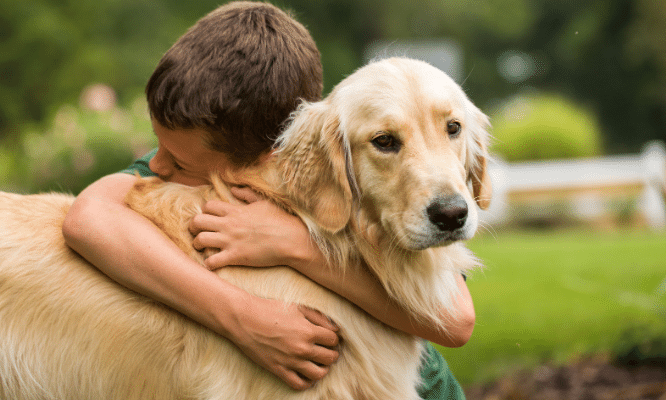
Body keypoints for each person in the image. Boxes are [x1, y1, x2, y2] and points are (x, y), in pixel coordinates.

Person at [62, 2, 473, 398]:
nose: (158, 166)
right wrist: (240, 316)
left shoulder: (330, 166)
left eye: (179, 160)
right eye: (159, 147)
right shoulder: (201, 147)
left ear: (265, 160)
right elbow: (87, 218)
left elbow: (456, 322)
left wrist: (295, 246)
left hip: (424, 385)